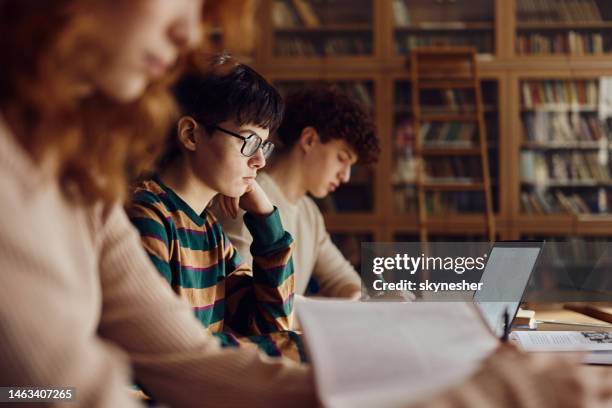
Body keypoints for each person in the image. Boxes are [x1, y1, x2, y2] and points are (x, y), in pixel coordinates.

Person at [0, 1, 610, 407]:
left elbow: (189, 358)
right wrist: (468, 395)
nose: (189, 32)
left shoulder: (79, 183)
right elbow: (67, 393)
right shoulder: (142, 211)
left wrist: (438, 373)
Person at [127, 55, 305, 362]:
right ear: (191, 134)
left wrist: (265, 219)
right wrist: (292, 348)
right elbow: (163, 345)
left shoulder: (209, 231)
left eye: (264, 146)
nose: (260, 161)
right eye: (249, 142)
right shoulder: (147, 217)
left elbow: (270, 325)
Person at [214, 85, 379, 299]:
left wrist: (357, 298)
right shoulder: (247, 197)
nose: (345, 176)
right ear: (309, 140)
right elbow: (244, 300)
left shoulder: (309, 212)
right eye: (342, 158)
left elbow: (342, 279)